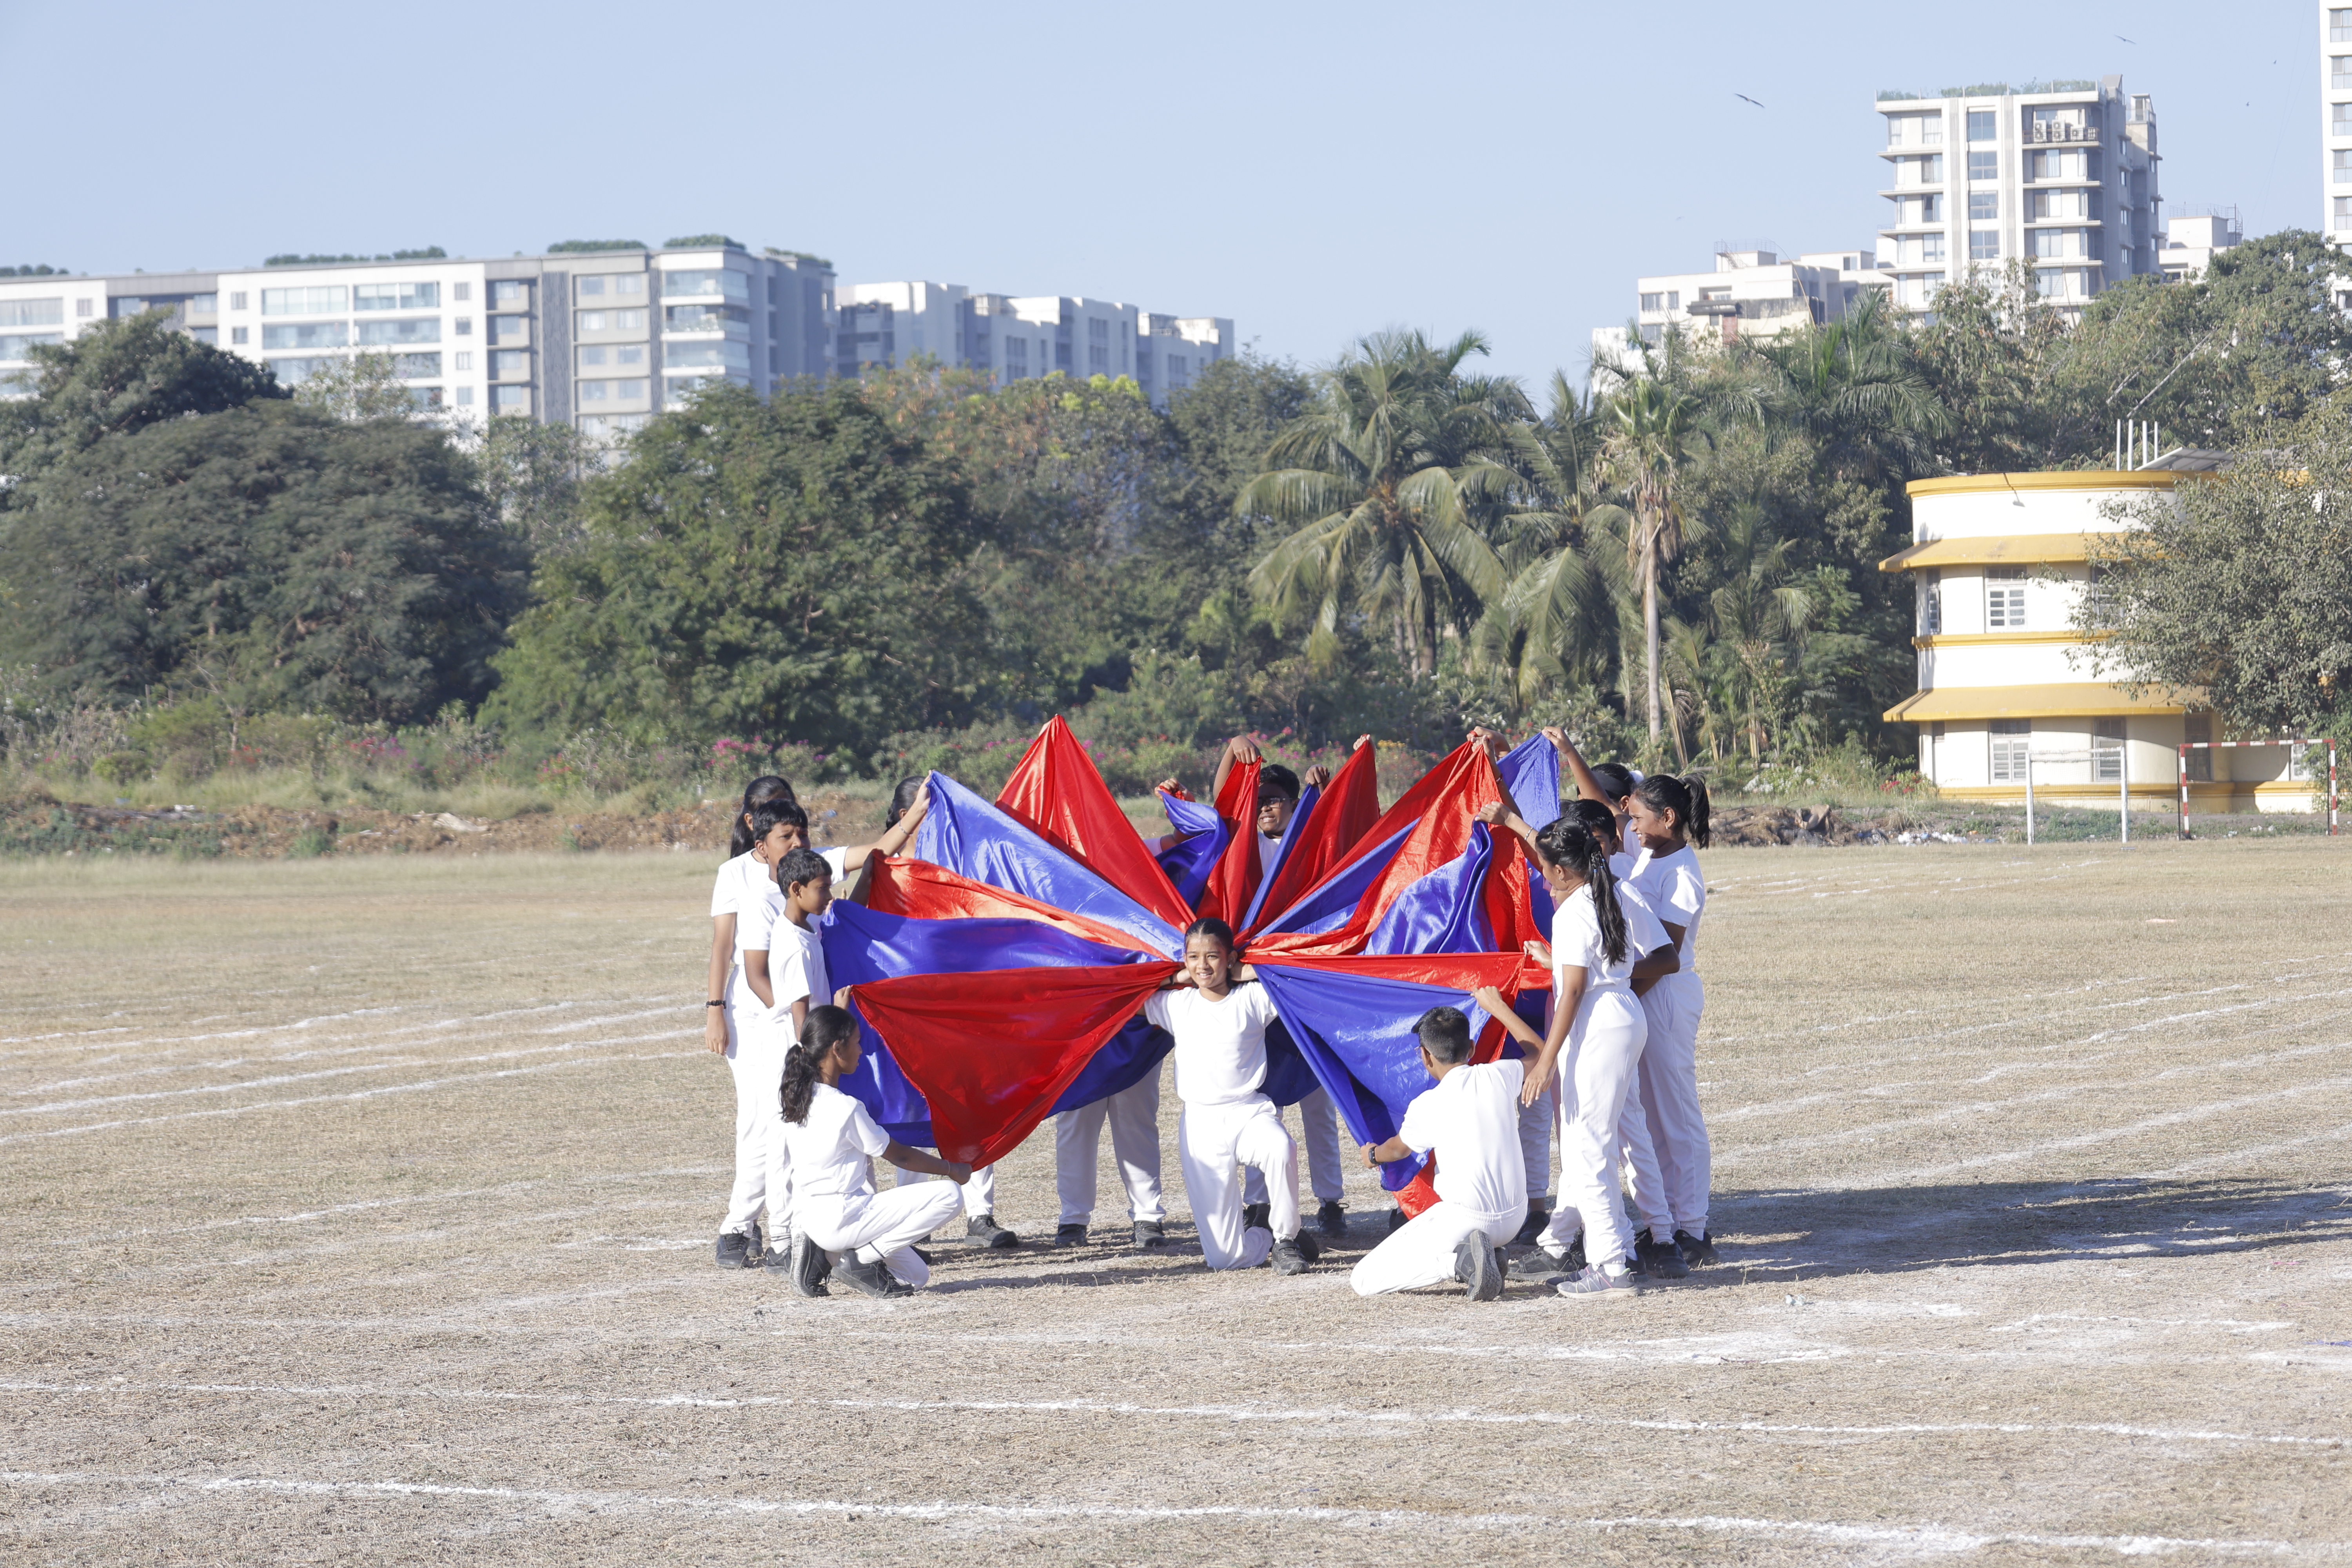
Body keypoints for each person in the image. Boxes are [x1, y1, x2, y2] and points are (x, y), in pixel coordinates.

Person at [1512, 818, 1676, 1300]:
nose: (1544, 881)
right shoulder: (1606, 892)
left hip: (1599, 1022)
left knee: (1589, 1148)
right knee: (1610, 1136)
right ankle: (1622, 1248)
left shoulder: (1570, 911)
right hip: (1624, 1013)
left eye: (1546, 871)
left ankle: (1610, 1266)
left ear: (1565, 871)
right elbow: (1596, 965)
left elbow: (1576, 990)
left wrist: (1547, 1059)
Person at [1147, 918, 1323, 1275]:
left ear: (1230, 958)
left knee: (1281, 1148)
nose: (1203, 966)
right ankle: (1267, 1236)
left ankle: (1287, 1240)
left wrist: (1247, 972)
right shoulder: (1177, 1006)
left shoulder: (1253, 998)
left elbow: (1295, 976)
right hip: (1201, 1124)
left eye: (1213, 956)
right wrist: (1178, 978)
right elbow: (1129, 995)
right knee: (1226, 1260)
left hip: (1249, 1112)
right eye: (1193, 957)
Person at [779, 1004, 973, 1299]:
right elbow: (900, 1157)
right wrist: (951, 1169)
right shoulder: (845, 1108)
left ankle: (828, 1254)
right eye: (857, 1042)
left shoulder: (797, 1097)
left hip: (813, 1219)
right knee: (950, 1195)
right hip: (844, 1217)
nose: (862, 1050)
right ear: (837, 1048)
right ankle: (861, 1260)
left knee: (916, 1276)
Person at [1348, 1000, 1530, 1301]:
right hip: (1515, 1219)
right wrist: (1498, 1008)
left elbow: (1397, 1151)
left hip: (1467, 1220)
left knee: (1363, 1280)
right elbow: (1539, 1052)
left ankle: (1463, 1264)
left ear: (1425, 1057)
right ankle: (1484, 1257)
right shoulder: (1500, 1075)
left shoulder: (1428, 1105)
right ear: (1471, 1048)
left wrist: (1371, 1156)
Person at [706, 793, 808, 1269]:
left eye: (796, 828)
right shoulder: (737, 874)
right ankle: (740, 1226)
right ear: (755, 828)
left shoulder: (807, 872)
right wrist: (715, 1008)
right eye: (781, 831)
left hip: (790, 1016)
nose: (793, 838)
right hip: (753, 1016)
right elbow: (725, 946)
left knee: (784, 1122)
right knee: (761, 1121)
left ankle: (765, 1230)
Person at [1624, 771, 1717, 1269]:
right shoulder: (1651, 852)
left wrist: (1620, 993)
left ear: (1668, 818)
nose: (1631, 825)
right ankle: (1666, 1222)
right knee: (1654, 1115)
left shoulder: (1681, 872)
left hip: (1664, 992)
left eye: (1638, 817)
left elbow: (1666, 955)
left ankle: (1694, 1228)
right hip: (1645, 990)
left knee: (1677, 1112)